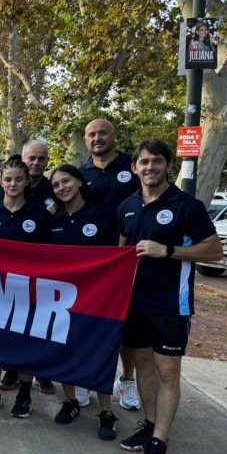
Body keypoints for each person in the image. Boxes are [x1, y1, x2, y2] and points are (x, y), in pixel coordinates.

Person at [117, 140, 221, 454]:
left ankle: (160, 443)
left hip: (170, 305)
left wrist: (169, 250)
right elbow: (120, 254)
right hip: (136, 302)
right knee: (144, 365)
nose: (149, 167)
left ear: (168, 165)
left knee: (167, 373)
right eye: (143, 162)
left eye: (156, 161)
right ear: (134, 167)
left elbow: (214, 251)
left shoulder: (187, 206)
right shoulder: (127, 206)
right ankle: (150, 424)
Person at [0, 155, 51, 418]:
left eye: (19, 179)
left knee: (25, 343)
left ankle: (24, 395)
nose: (13, 184)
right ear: (0, 181)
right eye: (8, 179)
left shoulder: (40, 213)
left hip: (29, 290)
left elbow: (51, 254)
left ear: (27, 180)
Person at [48, 164, 119, 439]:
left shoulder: (102, 216)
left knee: (98, 352)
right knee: (65, 348)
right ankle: (71, 401)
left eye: (66, 181)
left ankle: (106, 411)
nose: (61, 188)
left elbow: (115, 258)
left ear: (79, 182)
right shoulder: (53, 220)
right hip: (63, 298)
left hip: (98, 298)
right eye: (56, 185)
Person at [81, 118, 142, 411]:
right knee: (88, 322)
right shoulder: (81, 174)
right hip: (90, 263)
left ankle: (126, 381)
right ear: (85, 141)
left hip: (128, 260)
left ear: (114, 135)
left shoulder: (134, 167)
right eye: (91, 135)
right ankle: (84, 379)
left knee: (124, 326)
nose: (97, 138)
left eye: (102, 133)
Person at [0, 139, 58, 395]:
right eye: (31, 158)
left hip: (42, 269)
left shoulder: (54, 188)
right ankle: (11, 369)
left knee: (40, 324)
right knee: (12, 322)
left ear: (47, 162)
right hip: (11, 273)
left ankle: (41, 371)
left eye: (41, 159)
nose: (36, 163)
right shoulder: (8, 184)